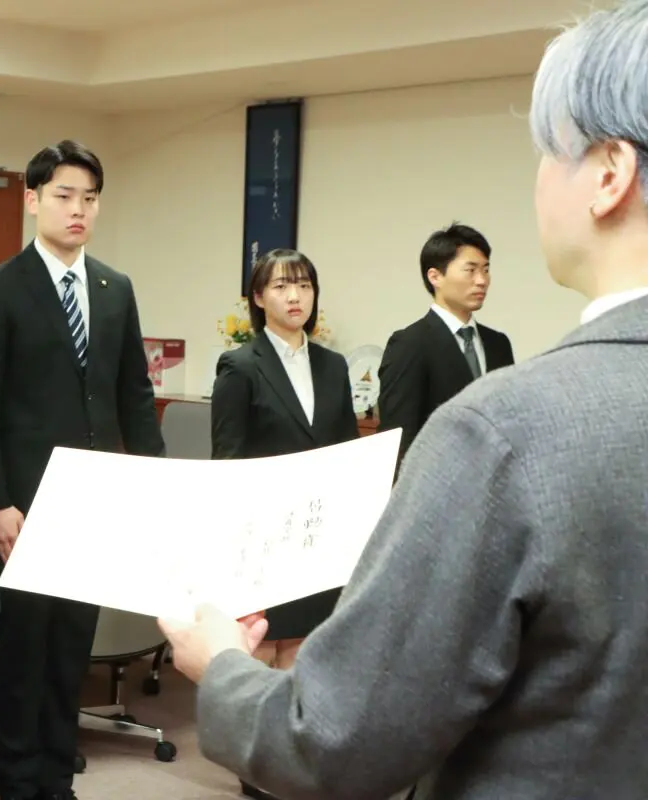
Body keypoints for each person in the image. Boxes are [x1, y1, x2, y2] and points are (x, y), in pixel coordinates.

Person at [158, 2, 648, 797]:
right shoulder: (266, 365)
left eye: (546, 151)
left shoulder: (500, 431)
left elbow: (336, 736)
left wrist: (219, 668)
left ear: (607, 174)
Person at [0, 140, 164, 800]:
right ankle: (17, 774)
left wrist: (155, 483)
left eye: (90, 198)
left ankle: (55, 772)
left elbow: (134, 395)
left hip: (93, 499)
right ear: (32, 200)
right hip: (24, 501)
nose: (79, 210)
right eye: (64, 196)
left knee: (73, 644)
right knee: (24, 646)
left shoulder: (114, 288)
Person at [209, 249, 358, 800]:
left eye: (304, 286)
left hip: (319, 531)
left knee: (307, 651)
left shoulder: (334, 366)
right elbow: (227, 459)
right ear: (258, 297)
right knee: (264, 651)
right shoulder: (240, 366)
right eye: (280, 286)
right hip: (265, 532)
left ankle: (294, 764)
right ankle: (257, 772)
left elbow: (346, 448)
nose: (295, 296)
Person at [377, 223, 514, 468]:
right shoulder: (410, 344)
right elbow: (399, 436)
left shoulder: (498, 343)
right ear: (435, 277)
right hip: (437, 479)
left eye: (485, 270)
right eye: (470, 270)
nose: (482, 280)